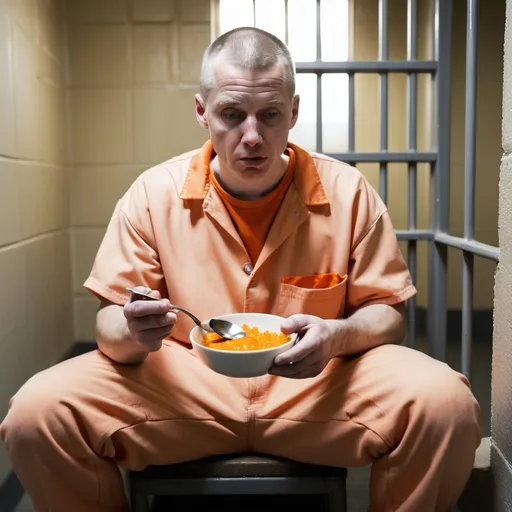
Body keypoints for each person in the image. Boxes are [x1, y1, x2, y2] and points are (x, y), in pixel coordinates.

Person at [0, 27, 481, 512]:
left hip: (317, 388)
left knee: (446, 405)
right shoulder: (153, 194)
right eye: (232, 114)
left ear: (293, 113)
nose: (252, 137)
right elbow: (107, 323)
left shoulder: (349, 193)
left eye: (269, 115)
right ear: (202, 111)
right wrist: (133, 329)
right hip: (184, 388)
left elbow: (387, 312)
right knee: (35, 414)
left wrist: (334, 336)